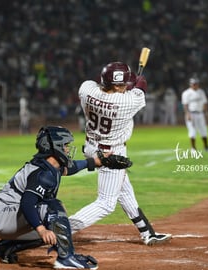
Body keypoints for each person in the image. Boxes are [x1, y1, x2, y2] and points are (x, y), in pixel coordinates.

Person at [0, 126, 121, 270]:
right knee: (52, 208)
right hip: (3, 215)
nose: (68, 150)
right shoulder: (42, 173)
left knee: (54, 226)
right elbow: (27, 203)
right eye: (65, 146)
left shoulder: (49, 166)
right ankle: (66, 258)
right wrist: (41, 230)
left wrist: (95, 162)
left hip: (5, 216)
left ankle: (3, 249)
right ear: (55, 146)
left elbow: (72, 167)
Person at [68, 61, 172, 245]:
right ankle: (64, 228)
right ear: (115, 85)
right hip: (111, 154)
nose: (125, 87)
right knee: (106, 203)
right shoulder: (128, 101)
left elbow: (101, 84)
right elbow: (142, 86)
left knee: (124, 191)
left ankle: (147, 232)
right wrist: (138, 81)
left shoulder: (86, 89)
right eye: (122, 84)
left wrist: (122, 82)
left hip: (91, 146)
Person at [181, 77, 208, 152]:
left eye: (196, 84)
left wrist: (206, 112)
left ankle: (206, 147)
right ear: (191, 84)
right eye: (194, 84)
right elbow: (185, 105)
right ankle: (193, 148)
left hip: (200, 113)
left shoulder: (201, 92)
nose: (195, 85)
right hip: (191, 113)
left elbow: (205, 102)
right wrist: (187, 114)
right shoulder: (186, 93)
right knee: (192, 131)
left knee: (203, 130)